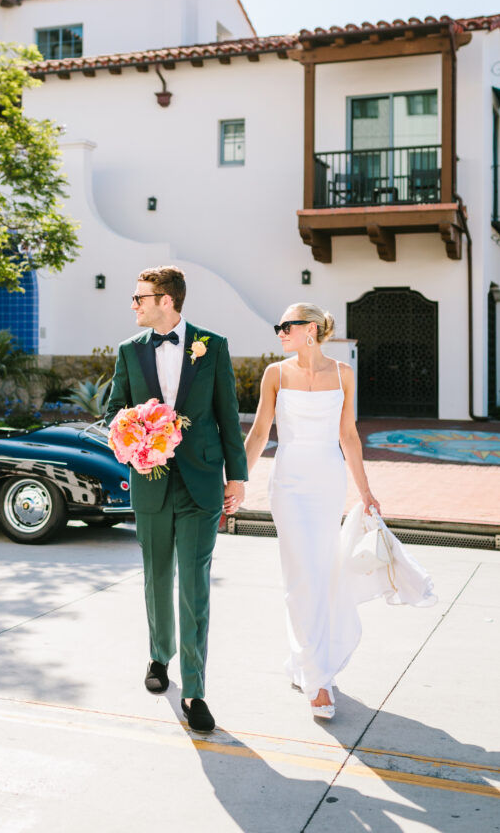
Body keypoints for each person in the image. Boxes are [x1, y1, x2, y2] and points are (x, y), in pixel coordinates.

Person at [106, 266, 247, 732]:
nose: (134, 305)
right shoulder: (129, 351)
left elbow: (227, 414)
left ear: (166, 300)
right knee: (156, 577)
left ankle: (194, 691)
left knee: (194, 586)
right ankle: (158, 656)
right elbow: (114, 413)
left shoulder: (213, 346)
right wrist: (134, 437)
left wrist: (238, 477)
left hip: (202, 483)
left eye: (140, 297)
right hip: (151, 481)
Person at [244, 302, 380, 720]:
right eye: (278, 325)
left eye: (286, 325)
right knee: (299, 573)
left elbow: (349, 437)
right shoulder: (275, 374)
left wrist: (366, 491)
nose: (279, 331)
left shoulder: (343, 374)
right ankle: (317, 679)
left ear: (312, 329)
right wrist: (236, 484)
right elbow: (260, 431)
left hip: (327, 480)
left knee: (320, 572)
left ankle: (303, 660)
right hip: (288, 481)